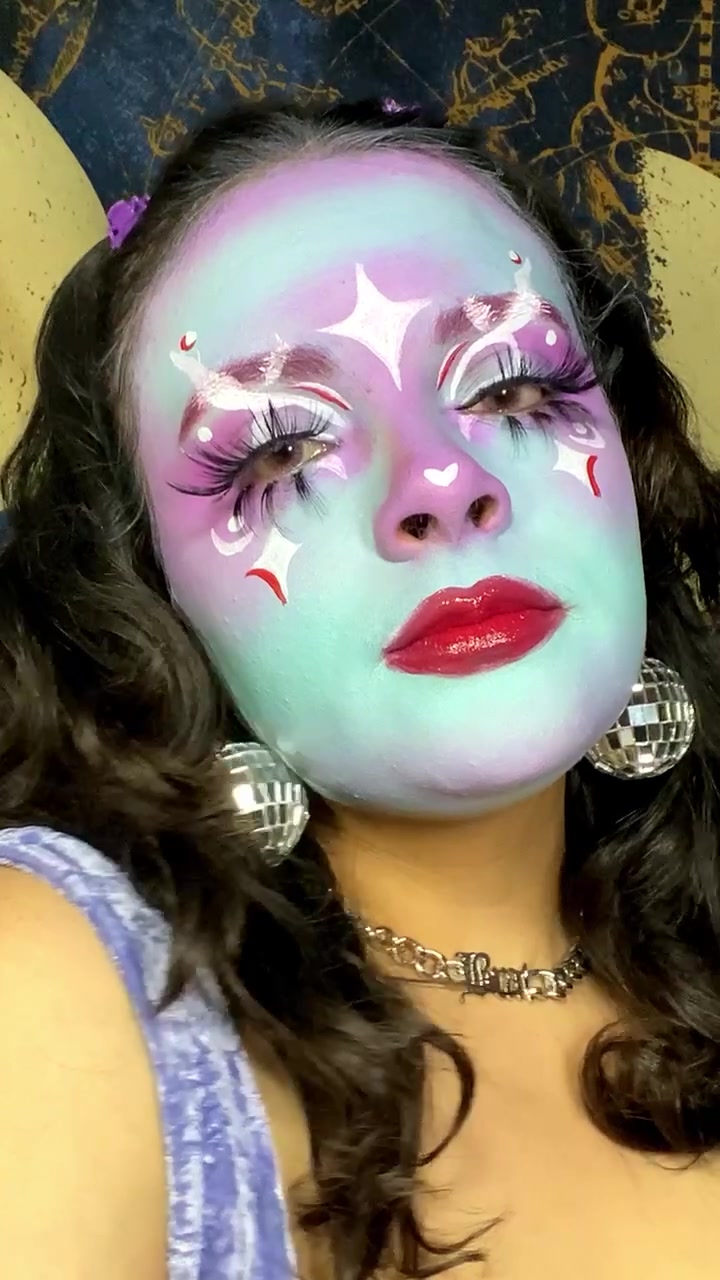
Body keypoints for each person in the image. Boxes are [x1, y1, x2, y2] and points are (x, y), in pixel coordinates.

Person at [0, 98, 719, 1280]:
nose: (441, 481)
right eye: (282, 450)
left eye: (510, 388)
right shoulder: (61, 983)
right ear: (149, 594)